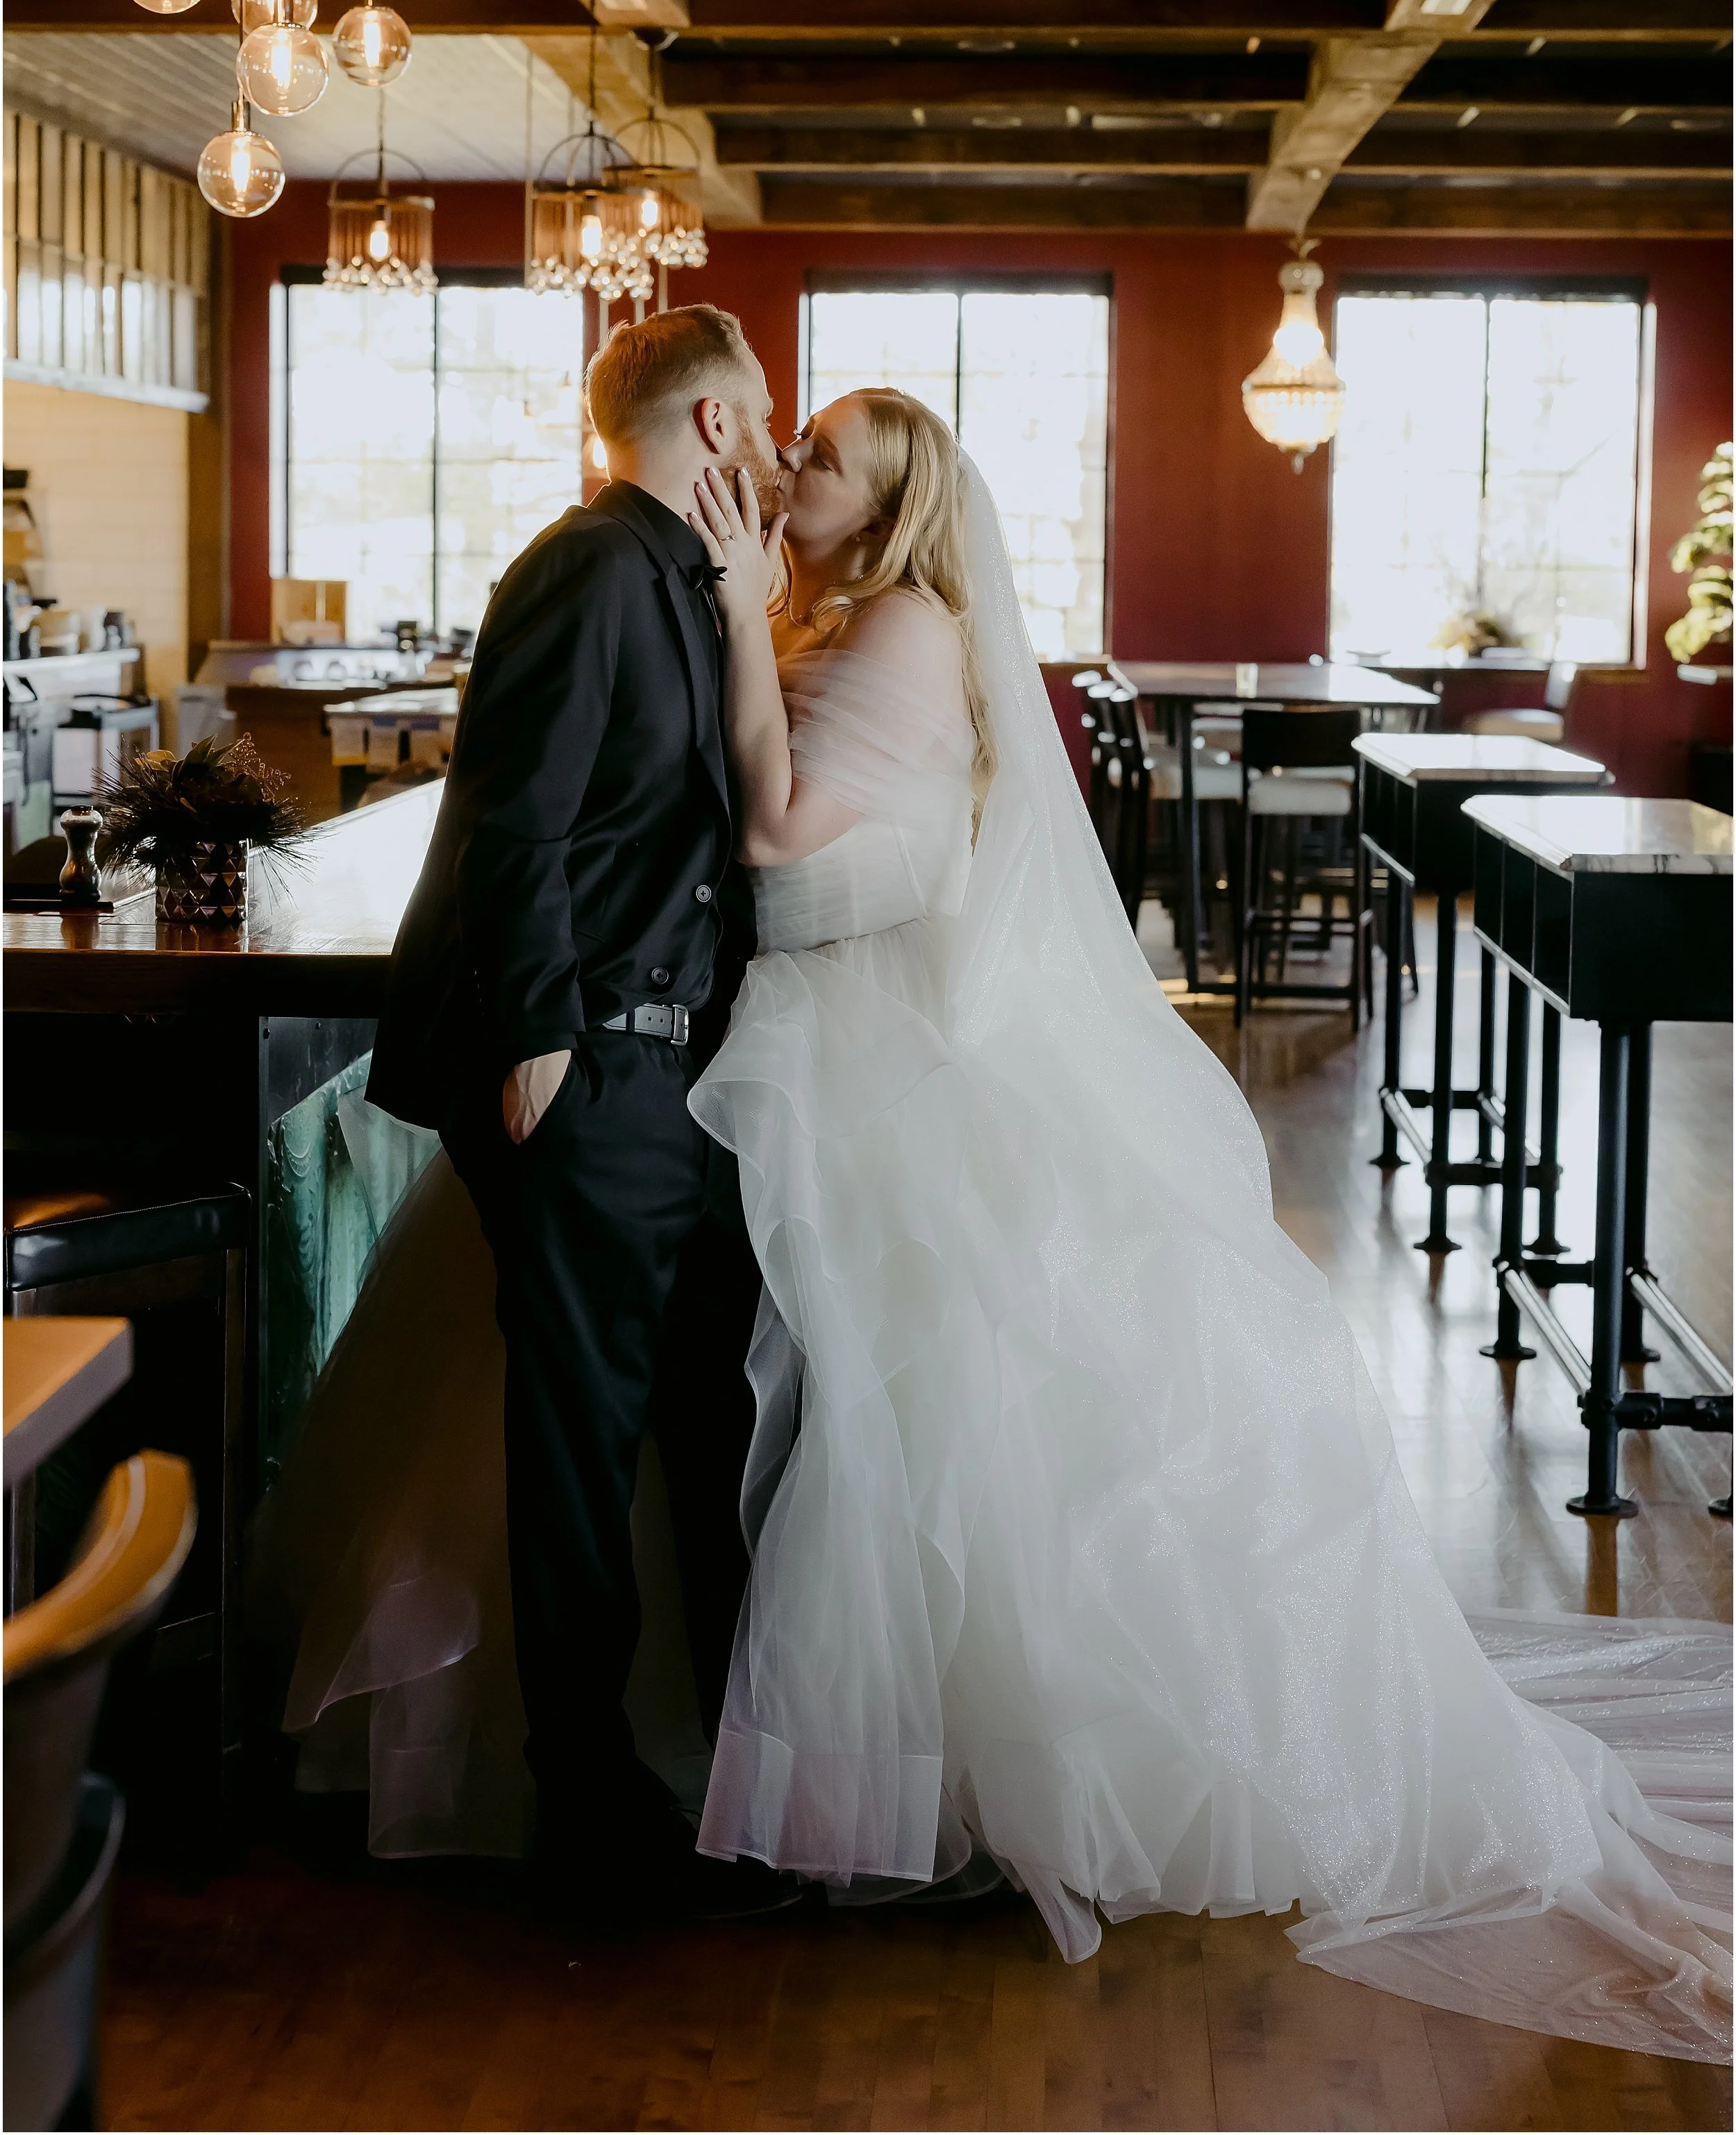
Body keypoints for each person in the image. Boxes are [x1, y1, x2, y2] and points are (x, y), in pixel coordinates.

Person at [262, 377, 1728, 2058]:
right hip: (709, 1067)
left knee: (878, 1443)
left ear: (885, 509)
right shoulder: (772, 597)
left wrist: (742, 626)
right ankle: (677, 1764)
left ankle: (865, 1782)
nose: (785, 465)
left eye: (821, 458)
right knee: (722, 1429)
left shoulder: (887, 630)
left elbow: (787, 857)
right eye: (784, 437)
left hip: (839, 1070)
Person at [360, 303, 796, 1921]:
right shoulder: (589, 566)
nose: (776, 441)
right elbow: (512, 820)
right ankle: (587, 1808)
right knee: (579, 1450)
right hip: (595, 1075)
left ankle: (727, 1788)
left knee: (708, 1427)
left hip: (682, 1082)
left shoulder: (689, 581)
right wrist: (540, 1035)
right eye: (759, 415)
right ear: (706, 430)